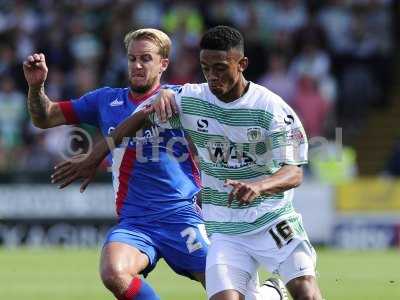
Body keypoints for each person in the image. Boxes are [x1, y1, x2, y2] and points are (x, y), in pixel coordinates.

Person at [24, 28, 287, 300]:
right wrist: (35, 87)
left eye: (146, 59)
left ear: (163, 64)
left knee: (233, 295)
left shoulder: (182, 98)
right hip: (135, 222)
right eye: (132, 58)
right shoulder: (105, 100)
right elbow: (45, 118)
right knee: (114, 271)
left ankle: (270, 294)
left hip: (183, 216)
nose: (137, 65)